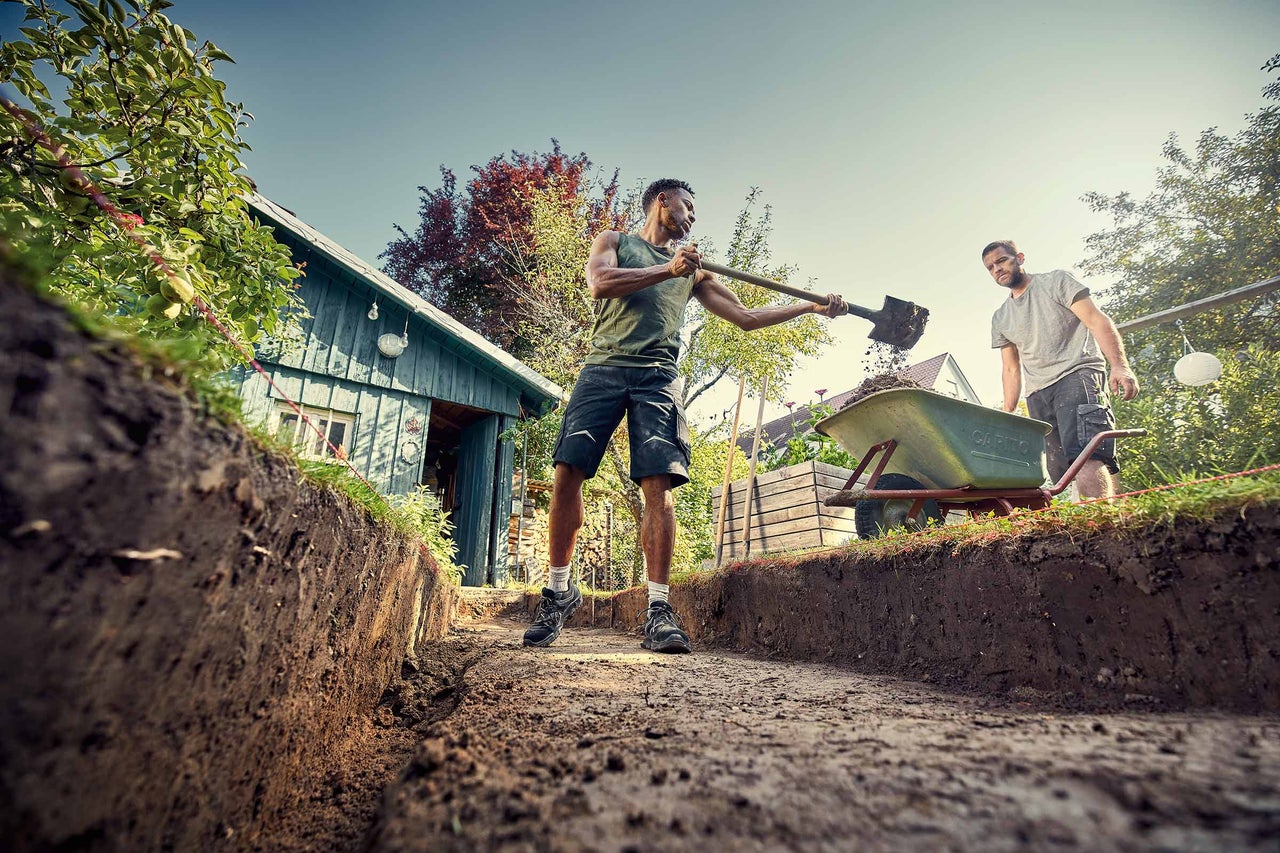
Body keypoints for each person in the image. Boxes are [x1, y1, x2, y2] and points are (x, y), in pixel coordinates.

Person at [524, 178, 848, 653]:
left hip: (657, 377)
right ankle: (558, 590)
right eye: (687, 206)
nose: (692, 216)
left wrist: (811, 307)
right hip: (603, 369)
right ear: (663, 201)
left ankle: (658, 609)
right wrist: (667, 270)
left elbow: (747, 317)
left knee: (659, 484)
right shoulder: (616, 242)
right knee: (567, 472)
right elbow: (600, 284)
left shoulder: (695, 273)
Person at [982, 240, 1139, 499]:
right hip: (1038, 393)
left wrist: (1120, 366)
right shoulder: (1001, 317)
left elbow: (1096, 320)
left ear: (1019, 257)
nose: (997, 269)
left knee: (1086, 454)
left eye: (1002, 261)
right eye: (990, 268)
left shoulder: (1056, 282)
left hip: (1077, 373)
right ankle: (1083, 528)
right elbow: (1010, 368)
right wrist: (1007, 413)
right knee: (1060, 472)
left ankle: (1102, 521)